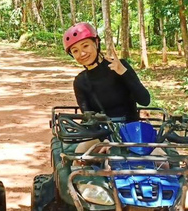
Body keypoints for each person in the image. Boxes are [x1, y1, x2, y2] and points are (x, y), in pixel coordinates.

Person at [63, 22, 151, 154]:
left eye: (85, 45)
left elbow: (145, 100)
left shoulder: (119, 66)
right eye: (75, 51)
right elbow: (89, 117)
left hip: (132, 131)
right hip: (100, 134)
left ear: (96, 43)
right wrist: (104, 140)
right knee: (77, 161)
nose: (81, 53)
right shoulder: (80, 82)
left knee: (163, 162)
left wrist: (124, 73)